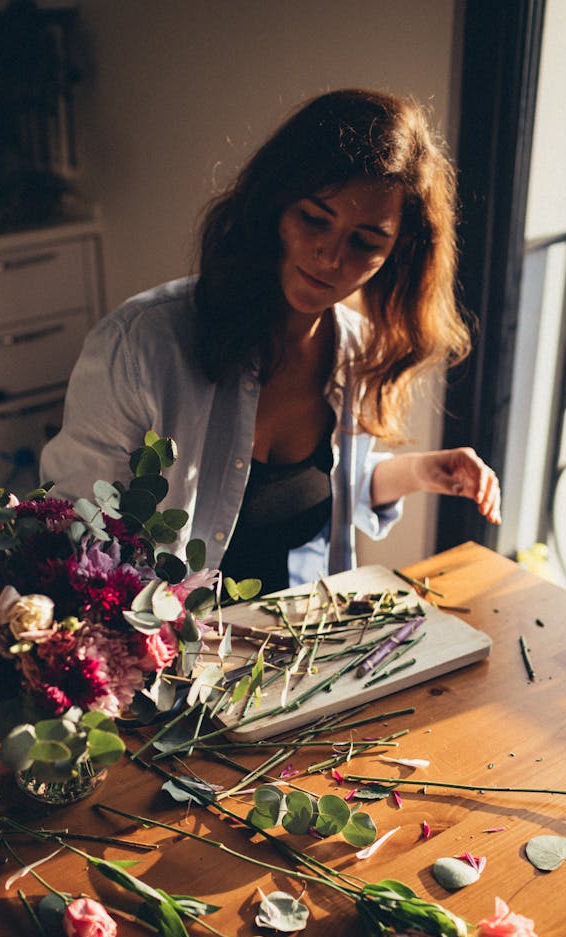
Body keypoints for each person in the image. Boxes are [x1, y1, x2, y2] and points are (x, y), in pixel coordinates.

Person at [41, 88, 501, 593]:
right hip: (161, 653)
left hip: (293, 649)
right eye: (314, 219)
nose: (330, 257)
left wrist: (419, 473)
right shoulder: (140, 348)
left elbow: (306, 491)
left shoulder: (356, 352)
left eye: (365, 241)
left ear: (399, 250)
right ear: (274, 203)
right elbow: (75, 532)